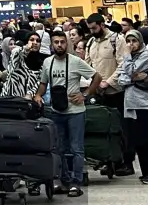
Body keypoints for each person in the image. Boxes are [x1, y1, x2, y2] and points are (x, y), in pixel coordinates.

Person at [33, 32, 100, 196]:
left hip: (75, 111)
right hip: (56, 110)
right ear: (52, 45)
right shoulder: (48, 62)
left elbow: (97, 77)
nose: (59, 45)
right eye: (56, 42)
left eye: (62, 42)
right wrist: (38, 95)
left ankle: (76, 182)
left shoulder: (76, 61)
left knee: (76, 148)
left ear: (67, 44)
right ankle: (63, 180)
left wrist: (85, 95)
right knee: (59, 147)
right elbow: (43, 83)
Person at [115, 31, 148, 184]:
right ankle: (147, 172)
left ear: (140, 41)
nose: (131, 44)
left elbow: (129, 71)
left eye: (134, 41)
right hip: (133, 104)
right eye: (128, 41)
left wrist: (126, 57)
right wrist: (132, 76)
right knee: (139, 140)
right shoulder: (133, 58)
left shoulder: (146, 55)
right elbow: (122, 79)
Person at [82, 13, 132, 175]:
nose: (92, 31)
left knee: (121, 129)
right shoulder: (91, 42)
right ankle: (108, 161)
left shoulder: (117, 40)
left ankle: (126, 162)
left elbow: (123, 64)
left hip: (116, 91)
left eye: (94, 28)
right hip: (98, 93)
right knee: (104, 128)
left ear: (102, 24)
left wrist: (107, 82)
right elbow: (88, 65)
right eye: (90, 29)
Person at [0, 31, 43, 99]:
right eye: (31, 40)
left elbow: (39, 82)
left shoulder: (41, 62)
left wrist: (30, 94)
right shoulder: (18, 56)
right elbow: (15, 53)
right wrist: (26, 49)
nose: (35, 42)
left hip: (26, 101)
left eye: (38, 41)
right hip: (9, 97)